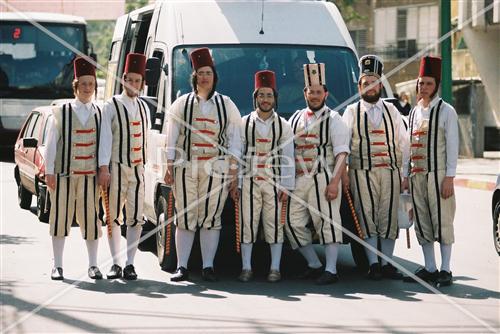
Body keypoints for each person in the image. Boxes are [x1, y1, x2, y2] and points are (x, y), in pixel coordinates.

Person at [163, 47, 242, 282]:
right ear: (194, 76)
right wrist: (169, 165)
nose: (204, 77)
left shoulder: (226, 104)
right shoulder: (181, 104)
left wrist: (234, 171)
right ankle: (182, 267)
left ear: (214, 76)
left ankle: (208, 266)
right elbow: (172, 135)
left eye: (208, 72)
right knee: (186, 216)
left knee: (211, 217)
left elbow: (235, 139)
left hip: (215, 169)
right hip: (186, 167)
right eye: (200, 73)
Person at [342, 55, 410, 280]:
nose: (369, 87)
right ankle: (373, 264)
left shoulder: (392, 111)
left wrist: (405, 173)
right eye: (365, 83)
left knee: (388, 217)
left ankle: (387, 263)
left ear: (380, 84)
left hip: (390, 173)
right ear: (359, 86)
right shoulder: (351, 112)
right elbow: (342, 146)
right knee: (367, 217)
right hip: (361, 173)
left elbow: (404, 143)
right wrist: (343, 174)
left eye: (373, 82)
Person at [285, 63, 349, 285]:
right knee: (292, 223)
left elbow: (342, 153)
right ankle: (314, 264)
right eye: (310, 91)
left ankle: (331, 270)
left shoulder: (334, 118)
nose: (314, 95)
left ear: (326, 94)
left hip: (324, 178)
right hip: (299, 178)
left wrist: (334, 183)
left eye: (318, 91)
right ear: (305, 92)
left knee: (328, 222)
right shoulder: (295, 118)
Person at [45, 56, 103, 280]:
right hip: (63, 175)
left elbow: (105, 143)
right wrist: (49, 171)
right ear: (76, 86)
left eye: (91, 84)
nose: (88, 88)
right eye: (84, 84)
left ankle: (93, 265)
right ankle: (57, 266)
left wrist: (103, 168)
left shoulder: (100, 113)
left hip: (89, 176)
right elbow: (51, 144)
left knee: (91, 220)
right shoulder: (60, 112)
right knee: (59, 219)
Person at [234, 70, 295, 283]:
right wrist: (237, 183)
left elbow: (288, 157)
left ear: (275, 98)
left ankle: (275, 268)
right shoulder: (243, 123)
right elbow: (237, 153)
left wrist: (286, 186)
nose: (265, 99)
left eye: (269, 95)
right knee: (248, 223)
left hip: (274, 183)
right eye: (261, 95)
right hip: (249, 182)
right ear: (255, 97)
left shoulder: (283, 126)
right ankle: (246, 267)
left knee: (274, 224)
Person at [403, 56, 459, 286]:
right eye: (421, 83)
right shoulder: (414, 112)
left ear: (436, 85)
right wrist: (406, 176)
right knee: (423, 221)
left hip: (438, 175)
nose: (423, 87)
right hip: (417, 176)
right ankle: (430, 267)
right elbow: (408, 145)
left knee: (443, 221)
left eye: (428, 83)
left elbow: (453, 145)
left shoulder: (447, 111)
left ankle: (446, 269)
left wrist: (449, 177)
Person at [98, 53, 150, 280]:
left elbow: (146, 139)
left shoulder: (144, 108)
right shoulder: (111, 105)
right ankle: (115, 263)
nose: (134, 84)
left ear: (142, 83)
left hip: (138, 170)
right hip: (116, 167)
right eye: (130, 79)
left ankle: (130, 263)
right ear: (123, 79)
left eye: (138, 81)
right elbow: (105, 139)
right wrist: (103, 168)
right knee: (112, 216)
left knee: (136, 217)